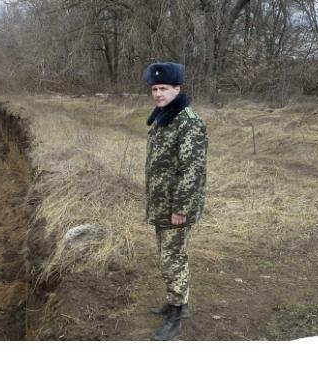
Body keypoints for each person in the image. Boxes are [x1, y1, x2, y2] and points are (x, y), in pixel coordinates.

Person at [144, 62, 208, 340]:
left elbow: (192, 171)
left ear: (177, 89)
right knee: (167, 255)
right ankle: (173, 301)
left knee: (174, 257)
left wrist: (181, 209)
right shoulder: (164, 116)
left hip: (176, 208)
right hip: (162, 204)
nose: (158, 94)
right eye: (154, 89)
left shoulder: (188, 122)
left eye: (163, 89)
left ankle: (178, 312)